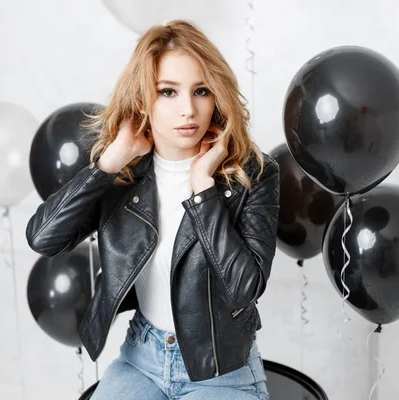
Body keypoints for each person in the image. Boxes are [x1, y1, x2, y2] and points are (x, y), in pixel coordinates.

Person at [25, 20, 279, 400]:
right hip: (140, 358)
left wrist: (203, 188)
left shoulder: (253, 174)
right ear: (144, 99)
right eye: (168, 92)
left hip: (221, 369)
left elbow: (246, 288)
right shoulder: (123, 176)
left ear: (217, 96)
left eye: (201, 91)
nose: (188, 110)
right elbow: (43, 239)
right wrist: (109, 164)